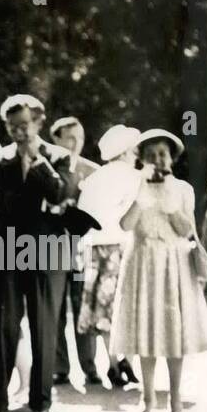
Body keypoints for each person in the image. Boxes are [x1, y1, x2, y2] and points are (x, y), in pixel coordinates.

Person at [0, 93, 78, 412]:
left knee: (44, 323)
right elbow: (0, 203)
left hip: (48, 248)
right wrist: (39, 197)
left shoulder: (61, 157)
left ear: (39, 121)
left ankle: (40, 400)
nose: (18, 132)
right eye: (11, 127)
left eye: (24, 125)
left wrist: (38, 164)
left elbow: (61, 193)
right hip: (7, 246)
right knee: (3, 323)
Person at [108, 129, 207, 412]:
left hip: (173, 263)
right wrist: (140, 198)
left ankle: (176, 398)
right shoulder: (135, 186)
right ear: (142, 159)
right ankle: (147, 395)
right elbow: (126, 225)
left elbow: (187, 230)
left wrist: (171, 207)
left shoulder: (182, 189)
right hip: (143, 262)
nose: (157, 160)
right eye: (151, 155)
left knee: (174, 331)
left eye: (162, 154)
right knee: (147, 329)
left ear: (172, 158)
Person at [75, 124, 143, 389]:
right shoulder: (135, 177)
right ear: (125, 151)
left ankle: (114, 362)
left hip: (95, 246)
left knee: (103, 307)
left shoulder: (94, 179)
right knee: (128, 304)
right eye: (133, 149)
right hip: (124, 245)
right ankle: (128, 361)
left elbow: (83, 215)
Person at [49, 117, 101, 386]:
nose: (75, 143)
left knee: (83, 305)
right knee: (55, 308)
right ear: (56, 138)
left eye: (79, 138)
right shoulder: (48, 166)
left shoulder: (92, 171)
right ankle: (59, 366)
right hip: (53, 247)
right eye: (69, 137)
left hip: (83, 248)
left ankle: (90, 366)